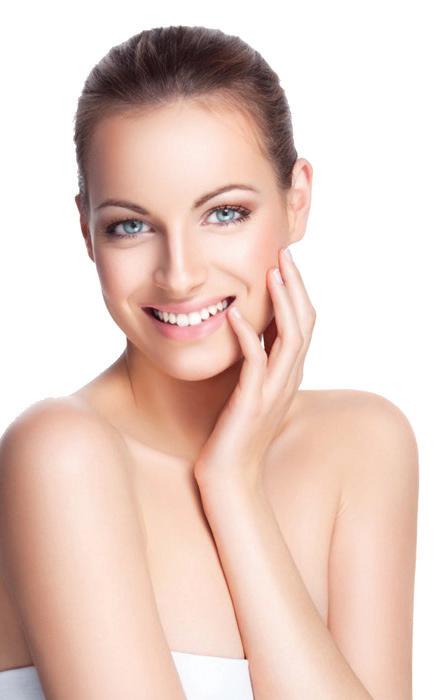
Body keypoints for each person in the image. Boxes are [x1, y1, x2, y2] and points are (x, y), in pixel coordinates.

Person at [0, 25, 418, 700]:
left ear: (297, 199)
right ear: (86, 231)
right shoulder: (59, 454)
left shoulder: (363, 444)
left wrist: (233, 487)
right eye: (131, 225)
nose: (180, 274)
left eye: (224, 213)